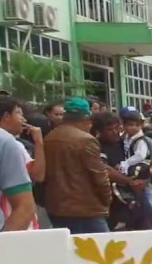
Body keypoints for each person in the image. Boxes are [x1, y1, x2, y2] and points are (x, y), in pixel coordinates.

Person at [42, 99, 111, 234]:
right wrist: (106, 200)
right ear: (86, 117)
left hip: (56, 207)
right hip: (85, 208)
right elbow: (99, 176)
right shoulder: (86, 140)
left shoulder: (49, 138)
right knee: (98, 251)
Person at [0, 96, 36, 232]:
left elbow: (24, 207)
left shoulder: (2, 142)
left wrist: (3, 247)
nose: (23, 120)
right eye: (18, 113)